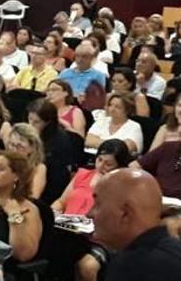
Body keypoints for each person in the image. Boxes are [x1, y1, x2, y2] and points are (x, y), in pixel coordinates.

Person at [51, 139, 132, 281]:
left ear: (119, 166)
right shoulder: (82, 174)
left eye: (109, 164)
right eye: (99, 160)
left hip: (97, 239)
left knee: (87, 266)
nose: (101, 166)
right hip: (67, 230)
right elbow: (61, 201)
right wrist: (52, 213)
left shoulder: (119, 186)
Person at [88, 169, 181, 281]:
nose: (89, 214)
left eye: (97, 204)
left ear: (125, 213)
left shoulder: (132, 267)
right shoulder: (174, 251)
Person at [26, 99, 75, 205]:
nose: (31, 124)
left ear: (48, 122)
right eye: (29, 119)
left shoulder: (59, 140)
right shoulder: (28, 134)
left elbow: (58, 177)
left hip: (50, 188)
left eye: (36, 122)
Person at [59, 43, 107, 109]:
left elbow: (98, 97)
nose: (79, 60)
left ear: (92, 58)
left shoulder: (99, 75)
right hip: (64, 104)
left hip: (85, 107)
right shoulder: (65, 73)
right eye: (77, 56)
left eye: (84, 57)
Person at [6, 124, 47, 199]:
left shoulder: (39, 168)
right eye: (12, 145)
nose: (14, 150)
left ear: (32, 148)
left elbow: (33, 197)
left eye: (20, 146)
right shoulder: (5, 163)